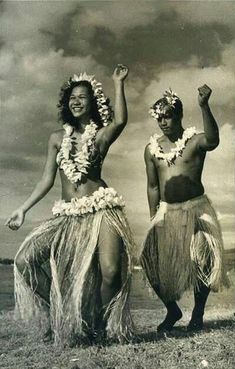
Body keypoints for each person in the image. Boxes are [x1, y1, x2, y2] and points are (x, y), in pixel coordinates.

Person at [5, 64, 134, 346]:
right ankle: (60, 311)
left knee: (111, 271)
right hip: (67, 215)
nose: (75, 101)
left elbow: (121, 121)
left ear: (93, 103)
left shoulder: (100, 135)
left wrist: (118, 83)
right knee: (24, 260)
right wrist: (22, 208)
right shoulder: (56, 138)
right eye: (71, 97)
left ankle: (98, 328)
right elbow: (46, 180)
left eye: (82, 97)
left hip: (102, 210)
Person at [140, 85, 229, 332]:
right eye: (159, 118)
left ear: (179, 115)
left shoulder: (194, 141)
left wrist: (204, 106)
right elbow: (152, 186)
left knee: (203, 260)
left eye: (167, 116)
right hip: (167, 211)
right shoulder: (151, 149)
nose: (163, 122)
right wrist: (153, 217)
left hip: (196, 209)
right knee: (148, 260)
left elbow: (213, 140)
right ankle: (172, 310)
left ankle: (198, 313)